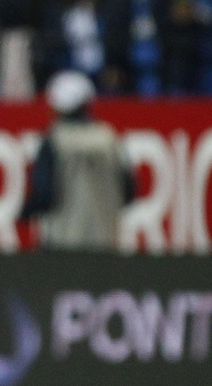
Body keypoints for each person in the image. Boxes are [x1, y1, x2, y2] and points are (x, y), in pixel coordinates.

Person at [19, 71, 134, 251]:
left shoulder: (55, 140)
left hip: (62, 243)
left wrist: (23, 213)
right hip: (105, 243)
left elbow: (43, 194)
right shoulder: (108, 138)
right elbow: (129, 190)